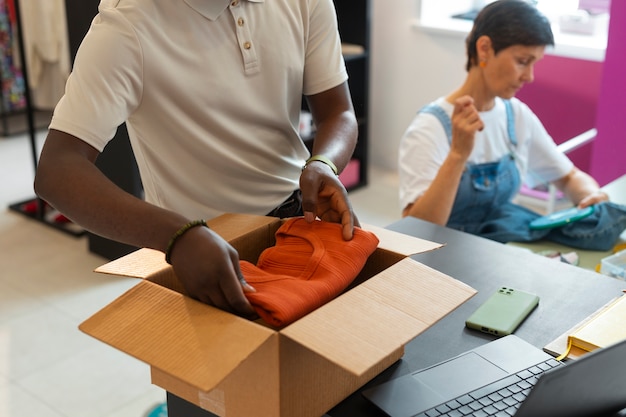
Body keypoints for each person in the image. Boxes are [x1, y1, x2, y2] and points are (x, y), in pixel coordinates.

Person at [34, 0, 361, 319]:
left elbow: (339, 111)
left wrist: (323, 163)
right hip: (199, 247)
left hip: (299, 220)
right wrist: (177, 236)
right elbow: (57, 170)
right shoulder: (128, 25)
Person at [398, 0, 626, 250]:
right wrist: (457, 156)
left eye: (533, 63)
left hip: (498, 250)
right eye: (522, 61)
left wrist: (588, 196)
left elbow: (568, 176)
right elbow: (416, 233)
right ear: (484, 49)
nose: (529, 76)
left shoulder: (515, 115)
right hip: (440, 257)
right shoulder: (430, 128)